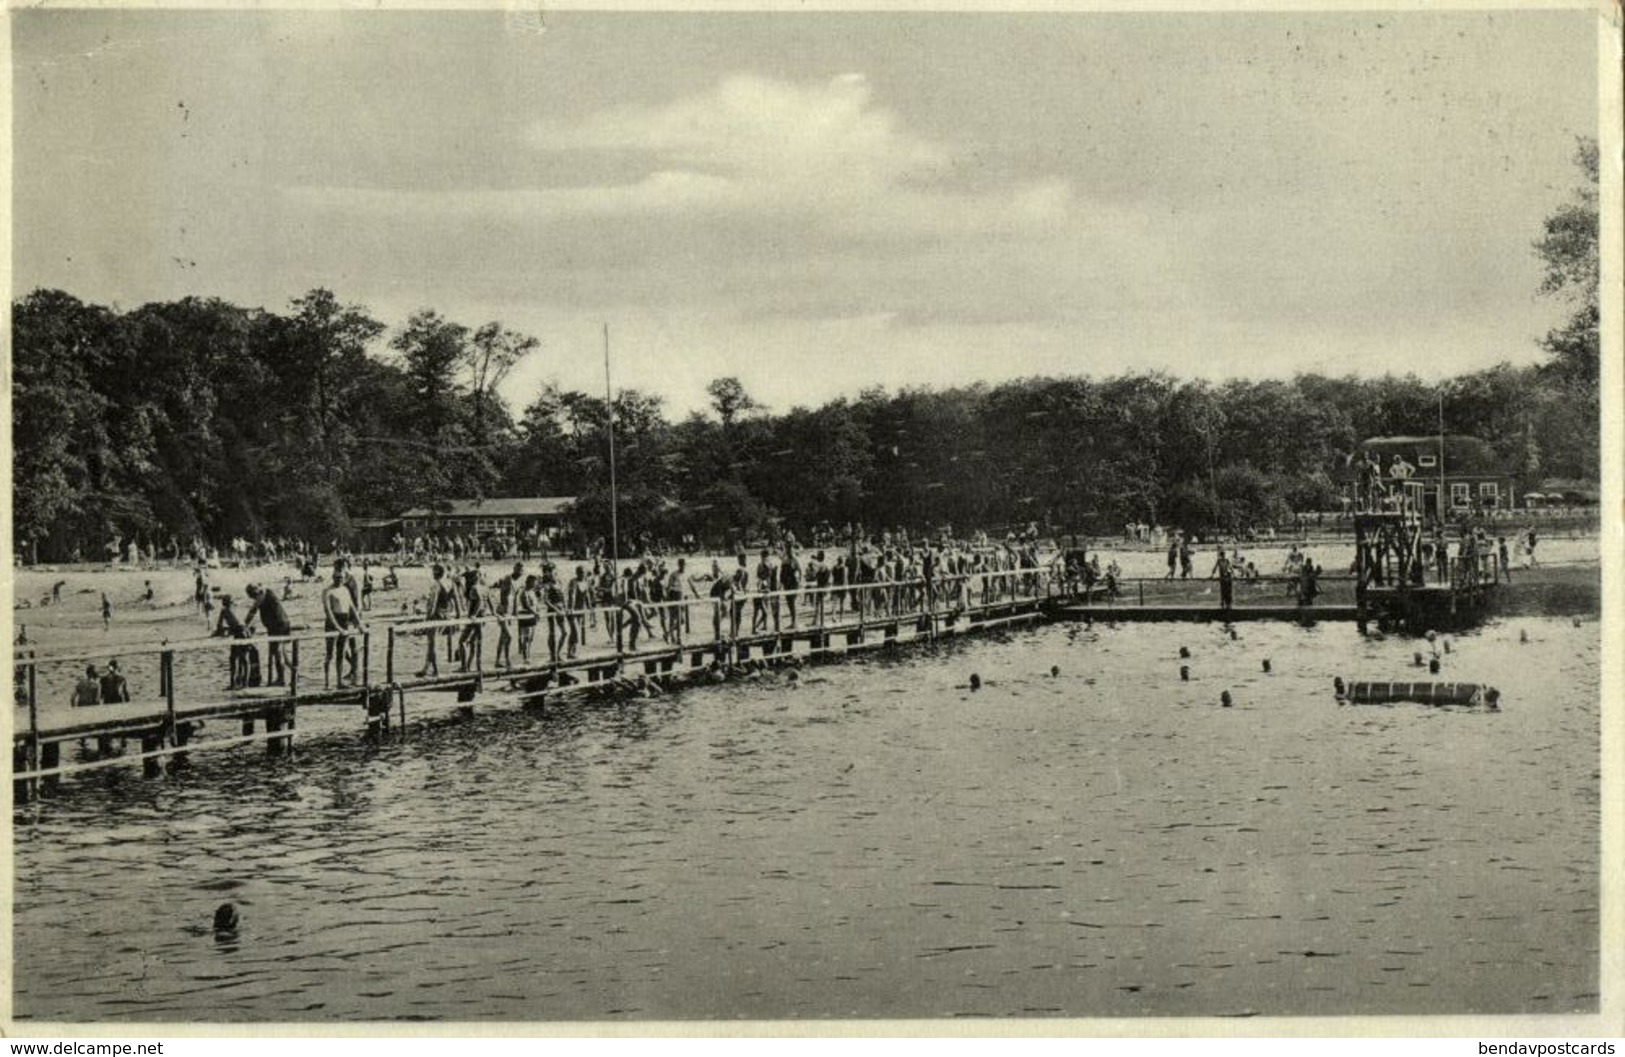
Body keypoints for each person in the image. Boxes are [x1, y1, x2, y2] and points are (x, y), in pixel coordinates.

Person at [417, 564, 461, 677]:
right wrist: (458, 617)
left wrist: (427, 618)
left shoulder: (436, 585)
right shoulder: (450, 583)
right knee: (432, 644)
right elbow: (457, 600)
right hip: (447, 615)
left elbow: (432, 604)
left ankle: (435, 670)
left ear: (436, 574)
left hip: (437, 615)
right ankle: (426, 668)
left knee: (432, 644)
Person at [322, 568, 364, 686]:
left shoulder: (345, 590)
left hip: (344, 620)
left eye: (341, 578)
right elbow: (328, 611)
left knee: (341, 652)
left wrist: (359, 623)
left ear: (344, 578)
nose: (339, 580)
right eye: (336, 578)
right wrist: (337, 627)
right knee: (330, 653)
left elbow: (352, 608)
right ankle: (327, 681)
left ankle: (339, 681)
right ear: (332, 577)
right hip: (332, 622)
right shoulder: (328, 591)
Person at [244, 583, 292, 685]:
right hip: (279, 625)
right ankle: (293, 674)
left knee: (278, 653)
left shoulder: (261, 595)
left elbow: (252, 611)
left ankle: (281, 679)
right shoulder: (266, 593)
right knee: (282, 653)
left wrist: (245, 625)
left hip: (277, 626)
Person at [1210, 548, 1236, 612]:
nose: (1223, 556)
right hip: (1222, 577)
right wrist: (1212, 575)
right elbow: (1215, 568)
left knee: (1228, 590)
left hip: (1227, 576)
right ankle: (1223, 602)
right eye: (1222, 555)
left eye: (1223, 555)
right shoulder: (1219, 561)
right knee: (1223, 590)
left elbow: (1230, 568)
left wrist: (1234, 575)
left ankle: (1228, 603)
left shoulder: (1227, 561)